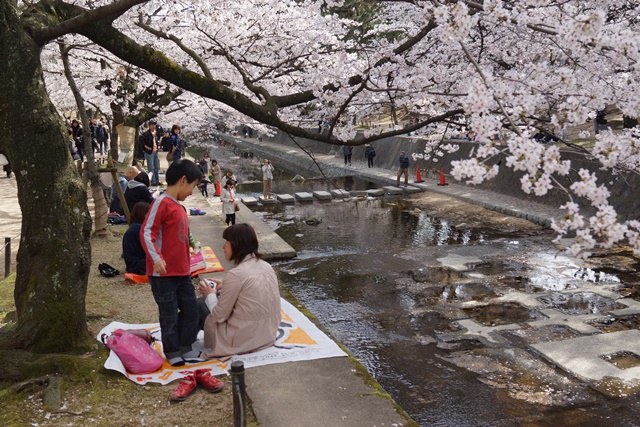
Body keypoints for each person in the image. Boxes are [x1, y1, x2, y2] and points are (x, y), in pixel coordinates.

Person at [141, 159, 203, 366]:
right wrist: (156, 258)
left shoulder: (178, 207)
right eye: (193, 187)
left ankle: (186, 345)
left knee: (191, 309)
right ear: (183, 181)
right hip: (163, 274)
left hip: (182, 271)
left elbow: (182, 233)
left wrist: (191, 245)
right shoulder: (161, 203)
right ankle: (173, 349)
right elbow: (147, 232)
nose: (192, 193)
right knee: (169, 314)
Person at [197, 223, 281, 358]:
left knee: (201, 302)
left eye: (227, 241)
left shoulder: (235, 274)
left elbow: (219, 316)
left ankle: (186, 343)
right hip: (267, 334)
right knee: (215, 296)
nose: (223, 246)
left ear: (237, 244)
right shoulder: (266, 266)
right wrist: (225, 285)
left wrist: (209, 295)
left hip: (243, 339)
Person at [122, 202, 150, 275]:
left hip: (134, 265)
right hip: (138, 266)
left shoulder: (135, 227)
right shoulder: (139, 229)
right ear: (142, 214)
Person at [139, 119, 161, 186]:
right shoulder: (146, 134)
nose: (154, 126)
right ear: (149, 126)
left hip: (155, 151)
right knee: (151, 167)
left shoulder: (155, 133)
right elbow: (141, 140)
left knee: (156, 167)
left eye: (154, 125)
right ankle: (152, 181)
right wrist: (146, 147)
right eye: (152, 125)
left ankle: (157, 180)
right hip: (149, 152)